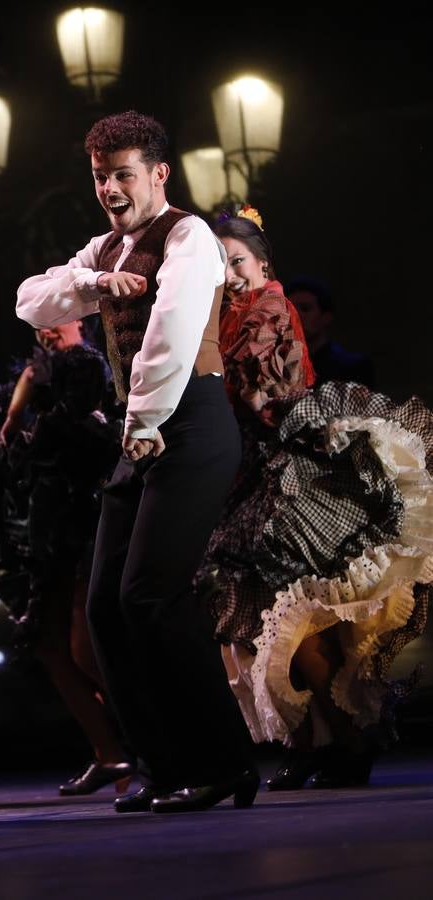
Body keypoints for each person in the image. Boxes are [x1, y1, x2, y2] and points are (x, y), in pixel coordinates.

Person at [16, 111, 257, 813]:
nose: (111, 189)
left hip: (191, 422)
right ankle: (162, 764)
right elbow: (33, 300)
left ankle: (221, 763)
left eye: (123, 174)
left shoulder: (188, 236)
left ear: (158, 173)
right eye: (100, 177)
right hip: (143, 432)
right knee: (104, 608)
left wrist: (146, 420)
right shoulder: (108, 249)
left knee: (150, 596)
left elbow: (173, 333)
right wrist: (94, 286)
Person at [198, 207, 433, 790]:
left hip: (288, 471)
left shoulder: (267, 307)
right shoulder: (230, 313)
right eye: (219, 264)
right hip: (249, 474)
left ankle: (342, 743)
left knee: (292, 619)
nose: (229, 273)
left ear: (263, 263)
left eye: (238, 261)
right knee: (268, 621)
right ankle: (317, 743)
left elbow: (263, 394)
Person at [0, 320, 131, 796]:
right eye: (39, 319)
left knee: (87, 647)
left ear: (80, 320)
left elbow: (62, 431)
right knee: (47, 643)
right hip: (39, 532)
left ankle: (156, 744)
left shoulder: (86, 367)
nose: (47, 327)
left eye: (57, 315)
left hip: (82, 522)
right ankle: (112, 754)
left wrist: (16, 409)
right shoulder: (34, 374)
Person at [286, 276, 378, 388]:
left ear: (326, 317)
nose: (296, 316)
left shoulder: (352, 368)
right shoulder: (279, 369)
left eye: (305, 309)